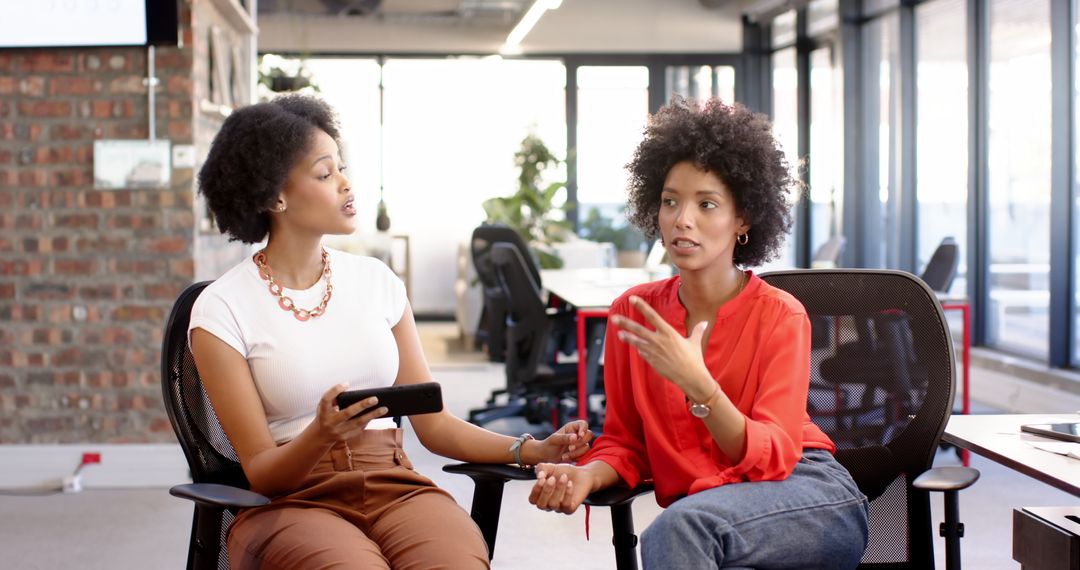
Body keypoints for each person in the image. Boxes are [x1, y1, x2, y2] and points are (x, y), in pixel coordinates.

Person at [190, 93, 593, 569]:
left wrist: (530, 449)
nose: (345, 184)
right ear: (275, 196)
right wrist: (320, 435)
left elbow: (434, 423)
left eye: (341, 168)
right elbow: (260, 472)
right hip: (291, 500)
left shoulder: (376, 282)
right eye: (325, 174)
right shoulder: (222, 308)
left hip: (395, 484)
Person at [527, 97, 869, 569]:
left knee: (682, 528)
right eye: (670, 201)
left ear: (742, 219)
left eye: (706, 204)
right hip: (711, 510)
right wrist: (585, 476)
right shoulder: (636, 312)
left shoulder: (780, 316)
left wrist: (699, 385)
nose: (682, 219)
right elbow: (626, 443)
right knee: (690, 527)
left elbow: (774, 458)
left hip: (808, 496)